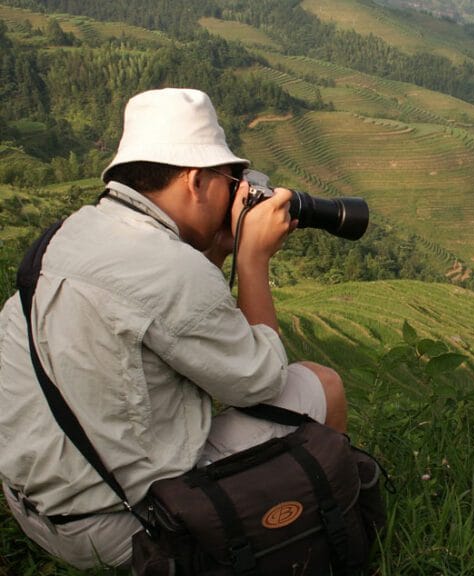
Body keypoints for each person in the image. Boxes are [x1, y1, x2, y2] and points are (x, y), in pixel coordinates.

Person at [0, 87, 347, 569]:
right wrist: (252, 259)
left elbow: (158, 309)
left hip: (39, 509)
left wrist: (216, 251)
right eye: (230, 180)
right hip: (124, 526)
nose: (234, 193)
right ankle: (317, 538)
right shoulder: (171, 271)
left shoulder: (67, 235)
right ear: (195, 181)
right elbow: (262, 383)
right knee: (321, 386)